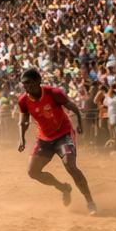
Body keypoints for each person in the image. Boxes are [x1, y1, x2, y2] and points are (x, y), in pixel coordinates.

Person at [17, 68, 96, 213]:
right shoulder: (23, 100)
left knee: (70, 166)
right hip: (44, 138)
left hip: (63, 135)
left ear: (38, 81)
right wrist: (21, 139)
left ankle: (90, 201)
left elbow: (74, 108)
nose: (27, 86)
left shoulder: (54, 93)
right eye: (24, 84)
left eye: (29, 83)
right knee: (33, 172)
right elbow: (23, 121)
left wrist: (79, 123)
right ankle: (63, 187)